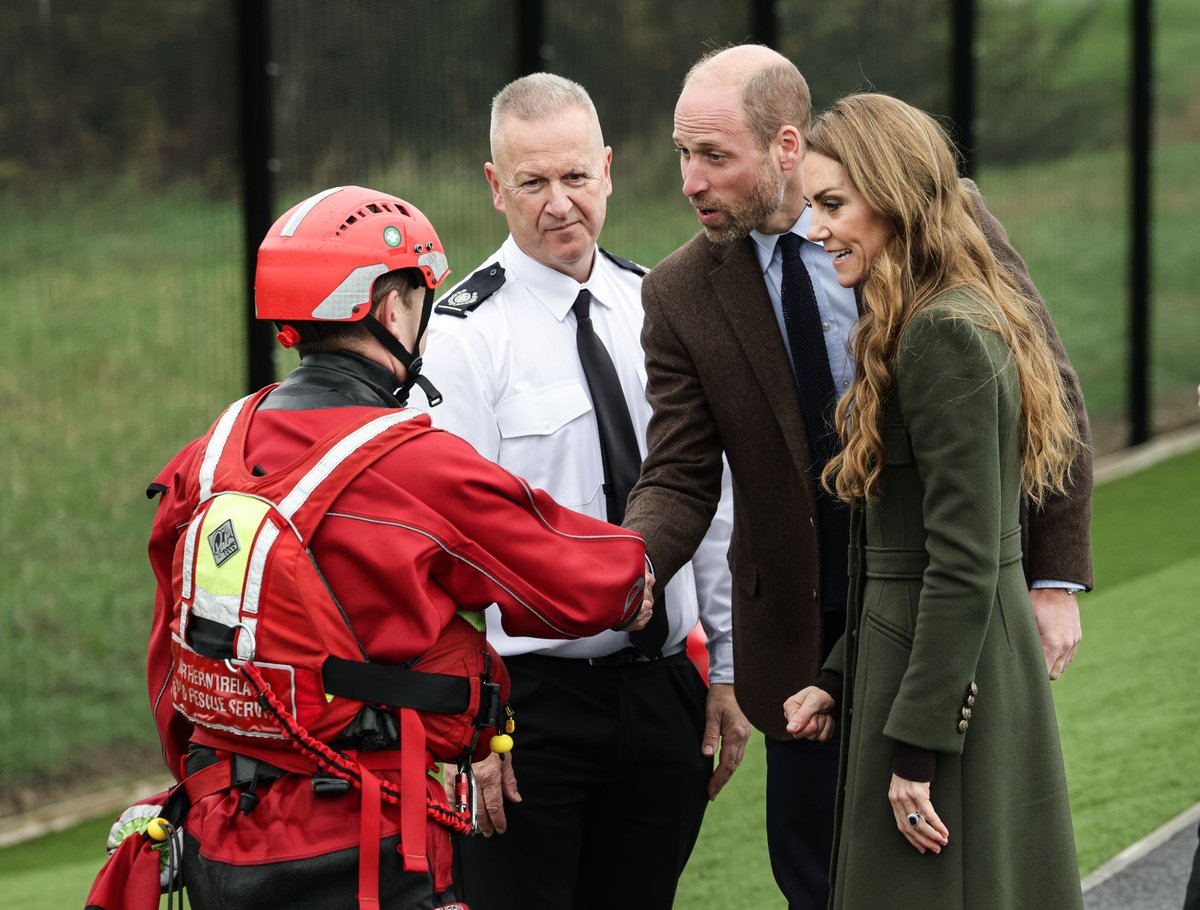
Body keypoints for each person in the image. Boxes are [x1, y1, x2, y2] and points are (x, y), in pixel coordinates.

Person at [621, 44, 1094, 909]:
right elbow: (680, 474)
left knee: (955, 869)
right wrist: (628, 566)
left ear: (787, 146)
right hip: (809, 641)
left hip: (942, 610)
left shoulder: (931, 235)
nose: (691, 181)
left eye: (714, 156)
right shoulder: (680, 292)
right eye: (683, 155)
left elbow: (1045, 393)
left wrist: (1053, 575)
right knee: (822, 881)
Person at [132, 185, 654, 910]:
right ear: (390, 306)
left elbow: (173, 662)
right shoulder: (414, 465)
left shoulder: (204, 457)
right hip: (366, 841)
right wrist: (641, 572)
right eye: (419, 294)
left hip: (222, 839)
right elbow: (590, 585)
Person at [410, 73, 748, 910]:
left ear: (607, 169)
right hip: (529, 714)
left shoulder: (655, 306)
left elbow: (708, 501)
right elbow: (441, 551)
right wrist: (473, 728)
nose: (559, 204)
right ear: (495, 187)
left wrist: (728, 670)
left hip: (662, 691)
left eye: (574, 177)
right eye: (532, 182)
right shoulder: (460, 339)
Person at [781, 91, 1083, 909]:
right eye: (813, 204)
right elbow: (912, 546)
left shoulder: (942, 332)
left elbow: (962, 559)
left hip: (946, 690)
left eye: (833, 203)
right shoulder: (932, 316)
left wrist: (914, 749)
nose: (815, 229)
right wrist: (841, 677)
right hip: (934, 671)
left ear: (898, 194)